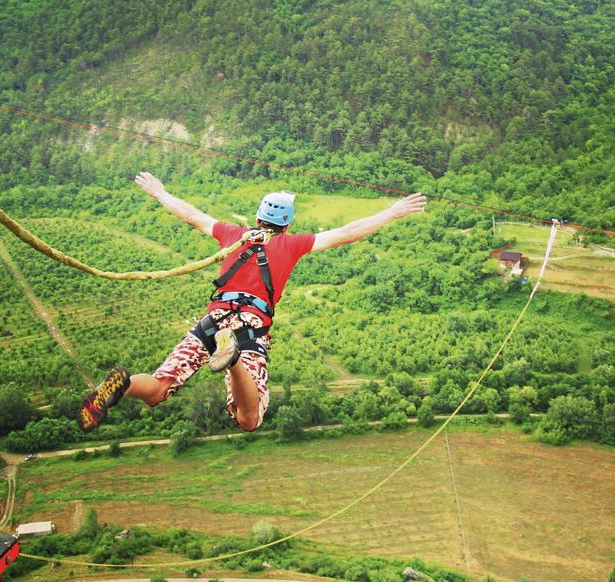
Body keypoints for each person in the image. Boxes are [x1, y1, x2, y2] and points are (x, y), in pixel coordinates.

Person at [78, 172, 426, 433]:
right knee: (249, 418)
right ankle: (232, 362)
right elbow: (348, 232)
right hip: (249, 330)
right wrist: (393, 212)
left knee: (155, 391)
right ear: (287, 223)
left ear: (258, 216)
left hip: (210, 324)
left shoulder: (232, 234)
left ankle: (124, 384)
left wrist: (159, 192)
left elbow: (190, 214)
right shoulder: (292, 244)